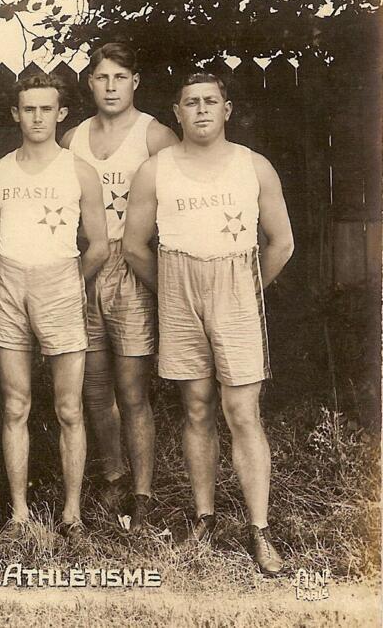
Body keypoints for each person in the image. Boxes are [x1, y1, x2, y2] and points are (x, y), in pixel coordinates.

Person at [123, 73, 293, 575]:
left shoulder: (253, 166)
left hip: (238, 284)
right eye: (190, 103)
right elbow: (134, 246)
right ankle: (204, 516)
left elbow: (281, 243)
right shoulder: (157, 170)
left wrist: (246, 291)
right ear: (176, 112)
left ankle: (259, 529)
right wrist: (172, 292)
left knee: (242, 410)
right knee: (195, 407)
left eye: (210, 101)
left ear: (227, 109)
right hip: (178, 284)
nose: (200, 110)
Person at [0, 73, 109, 535]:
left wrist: (71, 284)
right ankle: (18, 513)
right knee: (16, 406)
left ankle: (71, 514)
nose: (37, 117)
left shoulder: (78, 171)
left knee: (69, 408)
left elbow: (99, 245)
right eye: (28, 109)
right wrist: (1, 277)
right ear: (15, 114)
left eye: (45, 109)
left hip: (61, 285)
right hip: (10, 284)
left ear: (60, 112)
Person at [60, 43, 178, 531]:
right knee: (92, 387)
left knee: (132, 390)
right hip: (86, 266)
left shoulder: (155, 135)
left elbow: (176, 205)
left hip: (133, 266)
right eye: (101, 77)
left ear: (135, 81)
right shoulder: (72, 138)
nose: (111, 86)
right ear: (90, 83)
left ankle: (143, 490)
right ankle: (111, 474)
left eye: (120, 77)